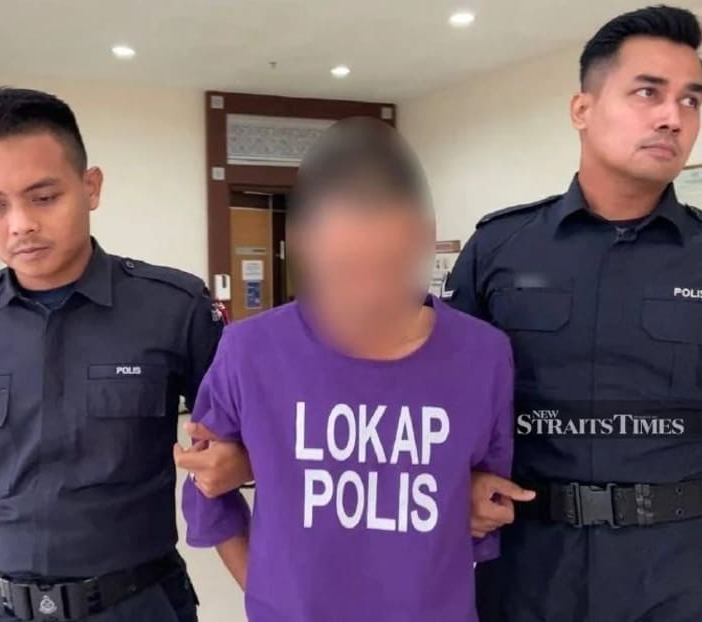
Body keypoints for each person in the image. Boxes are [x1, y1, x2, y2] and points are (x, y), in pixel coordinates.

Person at [0, 87, 249, 622]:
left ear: (90, 187)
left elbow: (251, 436)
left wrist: (242, 462)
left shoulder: (174, 309)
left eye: (43, 197)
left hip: (135, 605)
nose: (19, 224)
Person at [180, 117, 515, 621]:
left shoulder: (483, 355)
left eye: (388, 267)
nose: (368, 296)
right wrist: (268, 592)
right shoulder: (249, 351)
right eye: (345, 269)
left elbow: (487, 496)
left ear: (423, 241)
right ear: (307, 248)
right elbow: (207, 496)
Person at [451, 6, 702, 621]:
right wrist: (457, 481)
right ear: (582, 109)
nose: (672, 117)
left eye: (691, 100)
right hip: (530, 566)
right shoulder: (500, 248)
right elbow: (443, 392)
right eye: (648, 92)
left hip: (682, 572)